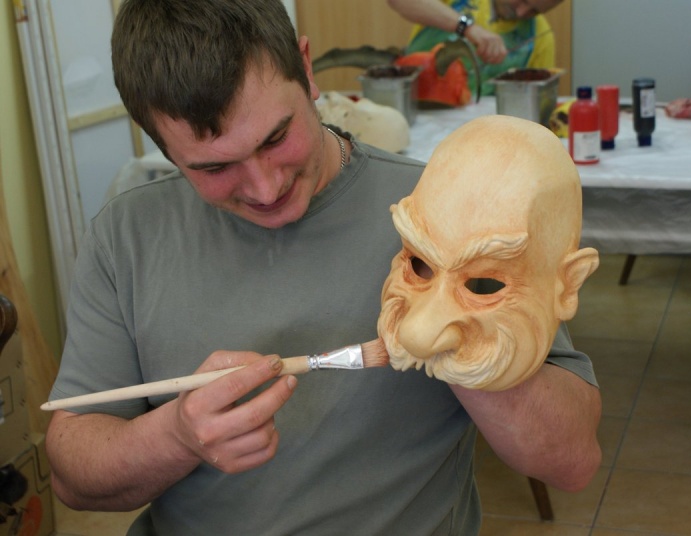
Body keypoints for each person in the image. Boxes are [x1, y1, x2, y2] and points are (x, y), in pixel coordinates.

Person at [44, 0, 601, 534]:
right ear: (159, 143)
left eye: (276, 138)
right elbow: (73, 477)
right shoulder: (128, 235)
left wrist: (452, 324)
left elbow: (571, 459)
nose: (265, 188)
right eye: (214, 168)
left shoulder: (435, 209)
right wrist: (174, 436)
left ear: (306, 69)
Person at [387, 0, 564, 95]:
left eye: (534, 11)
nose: (521, 12)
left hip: (482, 130)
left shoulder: (540, 36)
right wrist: (465, 26)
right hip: (416, 107)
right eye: (523, 0)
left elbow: (538, 100)